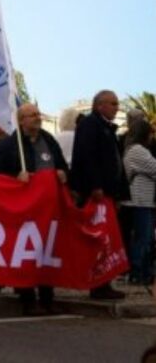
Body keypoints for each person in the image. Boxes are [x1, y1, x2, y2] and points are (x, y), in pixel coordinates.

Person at [0, 104, 68, 316]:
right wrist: (15, 179)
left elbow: (61, 165)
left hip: (48, 210)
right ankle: (28, 299)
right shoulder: (9, 146)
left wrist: (61, 173)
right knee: (27, 254)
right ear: (21, 120)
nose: (37, 118)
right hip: (24, 212)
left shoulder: (48, 140)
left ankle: (48, 299)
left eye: (38, 114)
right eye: (32, 115)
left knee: (46, 253)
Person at [70, 90, 127, 300]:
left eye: (117, 103)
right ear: (99, 105)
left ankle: (104, 282)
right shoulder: (90, 125)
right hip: (96, 194)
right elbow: (87, 157)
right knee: (99, 239)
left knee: (108, 239)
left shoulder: (107, 128)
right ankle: (98, 284)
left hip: (108, 194)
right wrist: (95, 186)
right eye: (112, 103)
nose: (116, 107)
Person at [122, 119, 156, 286]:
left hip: (145, 201)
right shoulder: (137, 150)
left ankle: (143, 272)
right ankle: (137, 272)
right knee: (143, 238)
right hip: (140, 201)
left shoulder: (137, 150)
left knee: (146, 238)